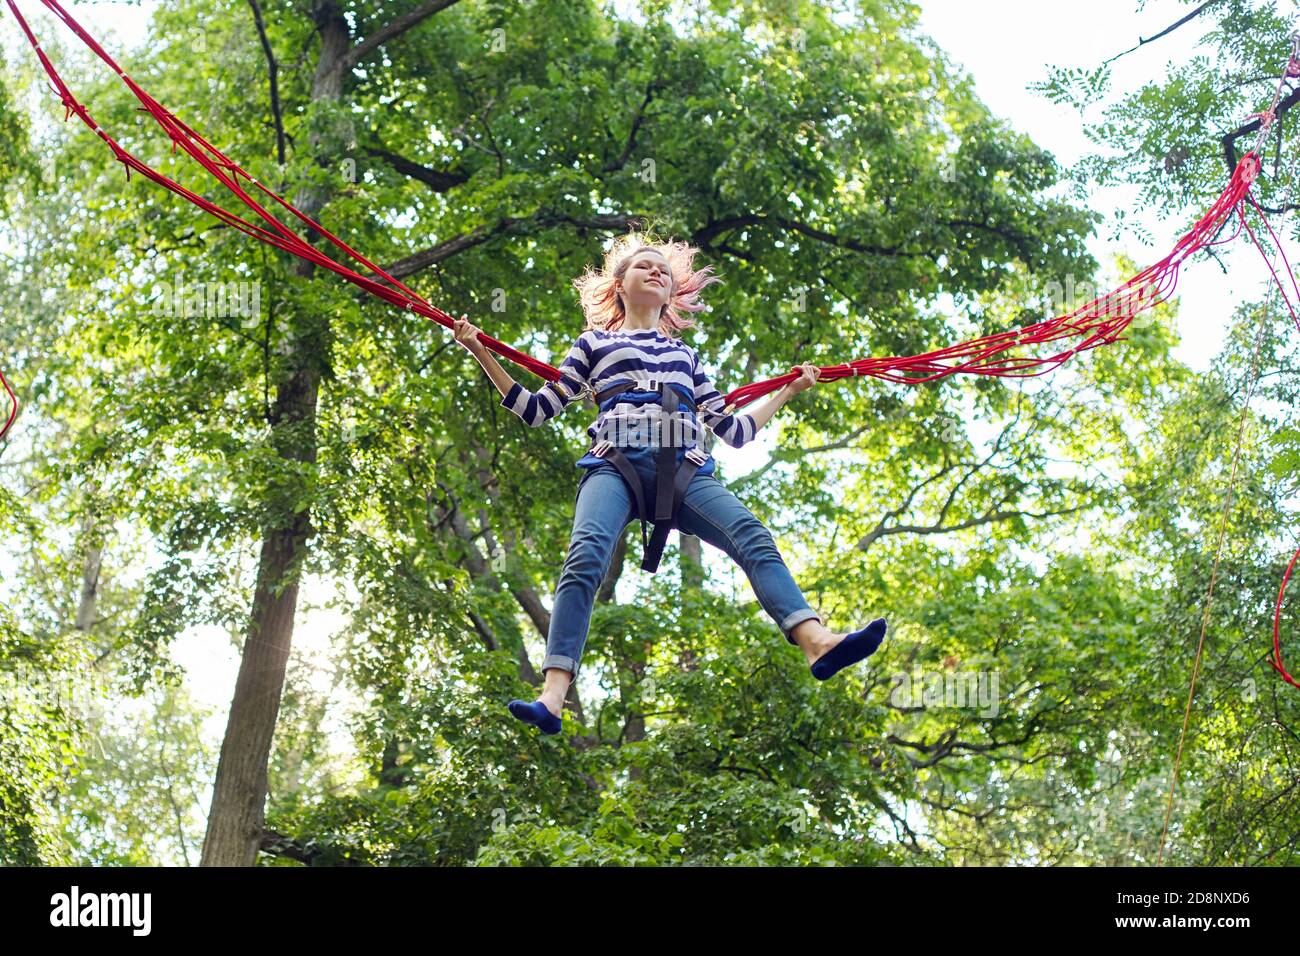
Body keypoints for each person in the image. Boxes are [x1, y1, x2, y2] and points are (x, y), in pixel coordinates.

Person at [454, 231, 886, 735]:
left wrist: (788, 391)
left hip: (685, 469)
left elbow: (736, 430)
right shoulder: (593, 345)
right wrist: (480, 350)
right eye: (644, 266)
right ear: (619, 285)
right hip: (614, 465)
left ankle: (816, 641)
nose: (656, 272)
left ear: (671, 293)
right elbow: (534, 410)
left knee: (753, 536)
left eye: (663, 269)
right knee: (586, 556)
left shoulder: (687, 358)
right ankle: (552, 694)